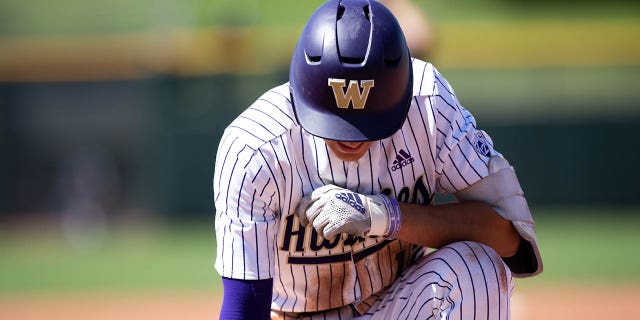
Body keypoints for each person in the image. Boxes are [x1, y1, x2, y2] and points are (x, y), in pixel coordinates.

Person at [213, 1, 543, 319]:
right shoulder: (254, 149)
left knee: (477, 271)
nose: (350, 138)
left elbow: (508, 239)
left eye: (368, 120)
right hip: (295, 315)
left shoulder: (427, 103)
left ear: (400, 93)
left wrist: (386, 216)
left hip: (400, 302)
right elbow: (245, 308)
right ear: (303, 91)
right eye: (335, 118)